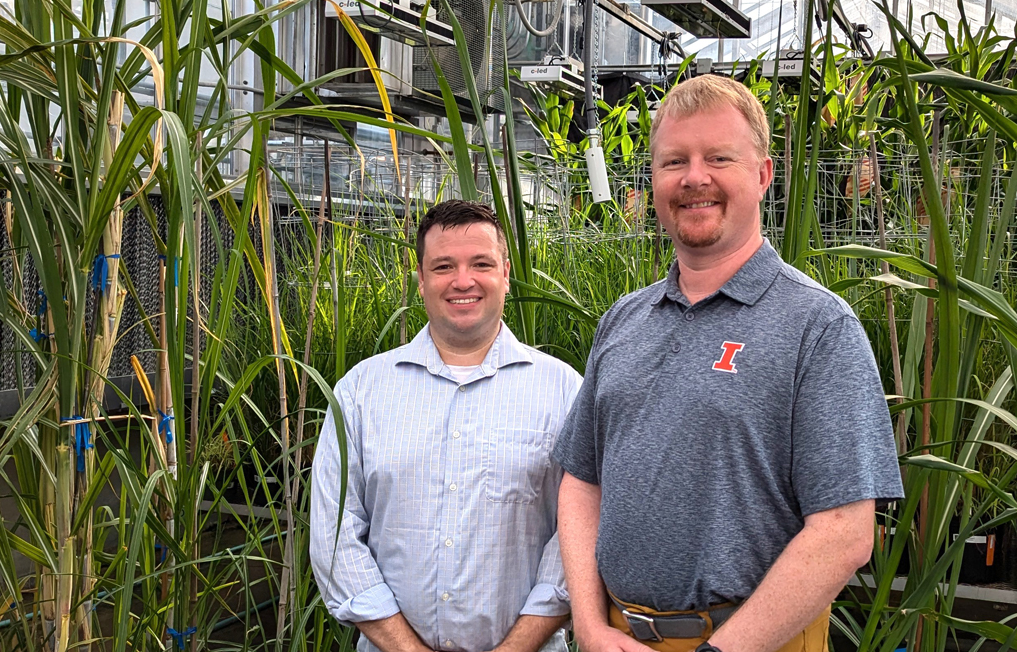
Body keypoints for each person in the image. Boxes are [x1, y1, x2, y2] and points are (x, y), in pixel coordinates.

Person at [552, 74, 903, 652]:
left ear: (763, 175)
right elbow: (581, 481)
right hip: (616, 637)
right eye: (674, 161)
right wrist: (589, 626)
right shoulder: (624, 320)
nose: (694, 178)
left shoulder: (818, 328)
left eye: (719, 157)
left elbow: (844, 534)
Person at [310, 200, 580, 652]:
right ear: (419, 279)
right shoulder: (360, 393)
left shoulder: (564, 392)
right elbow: (333, 537)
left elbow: (576, 534)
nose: (463, 280)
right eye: (443, 266)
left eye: (481, 263)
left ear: (506, 273)